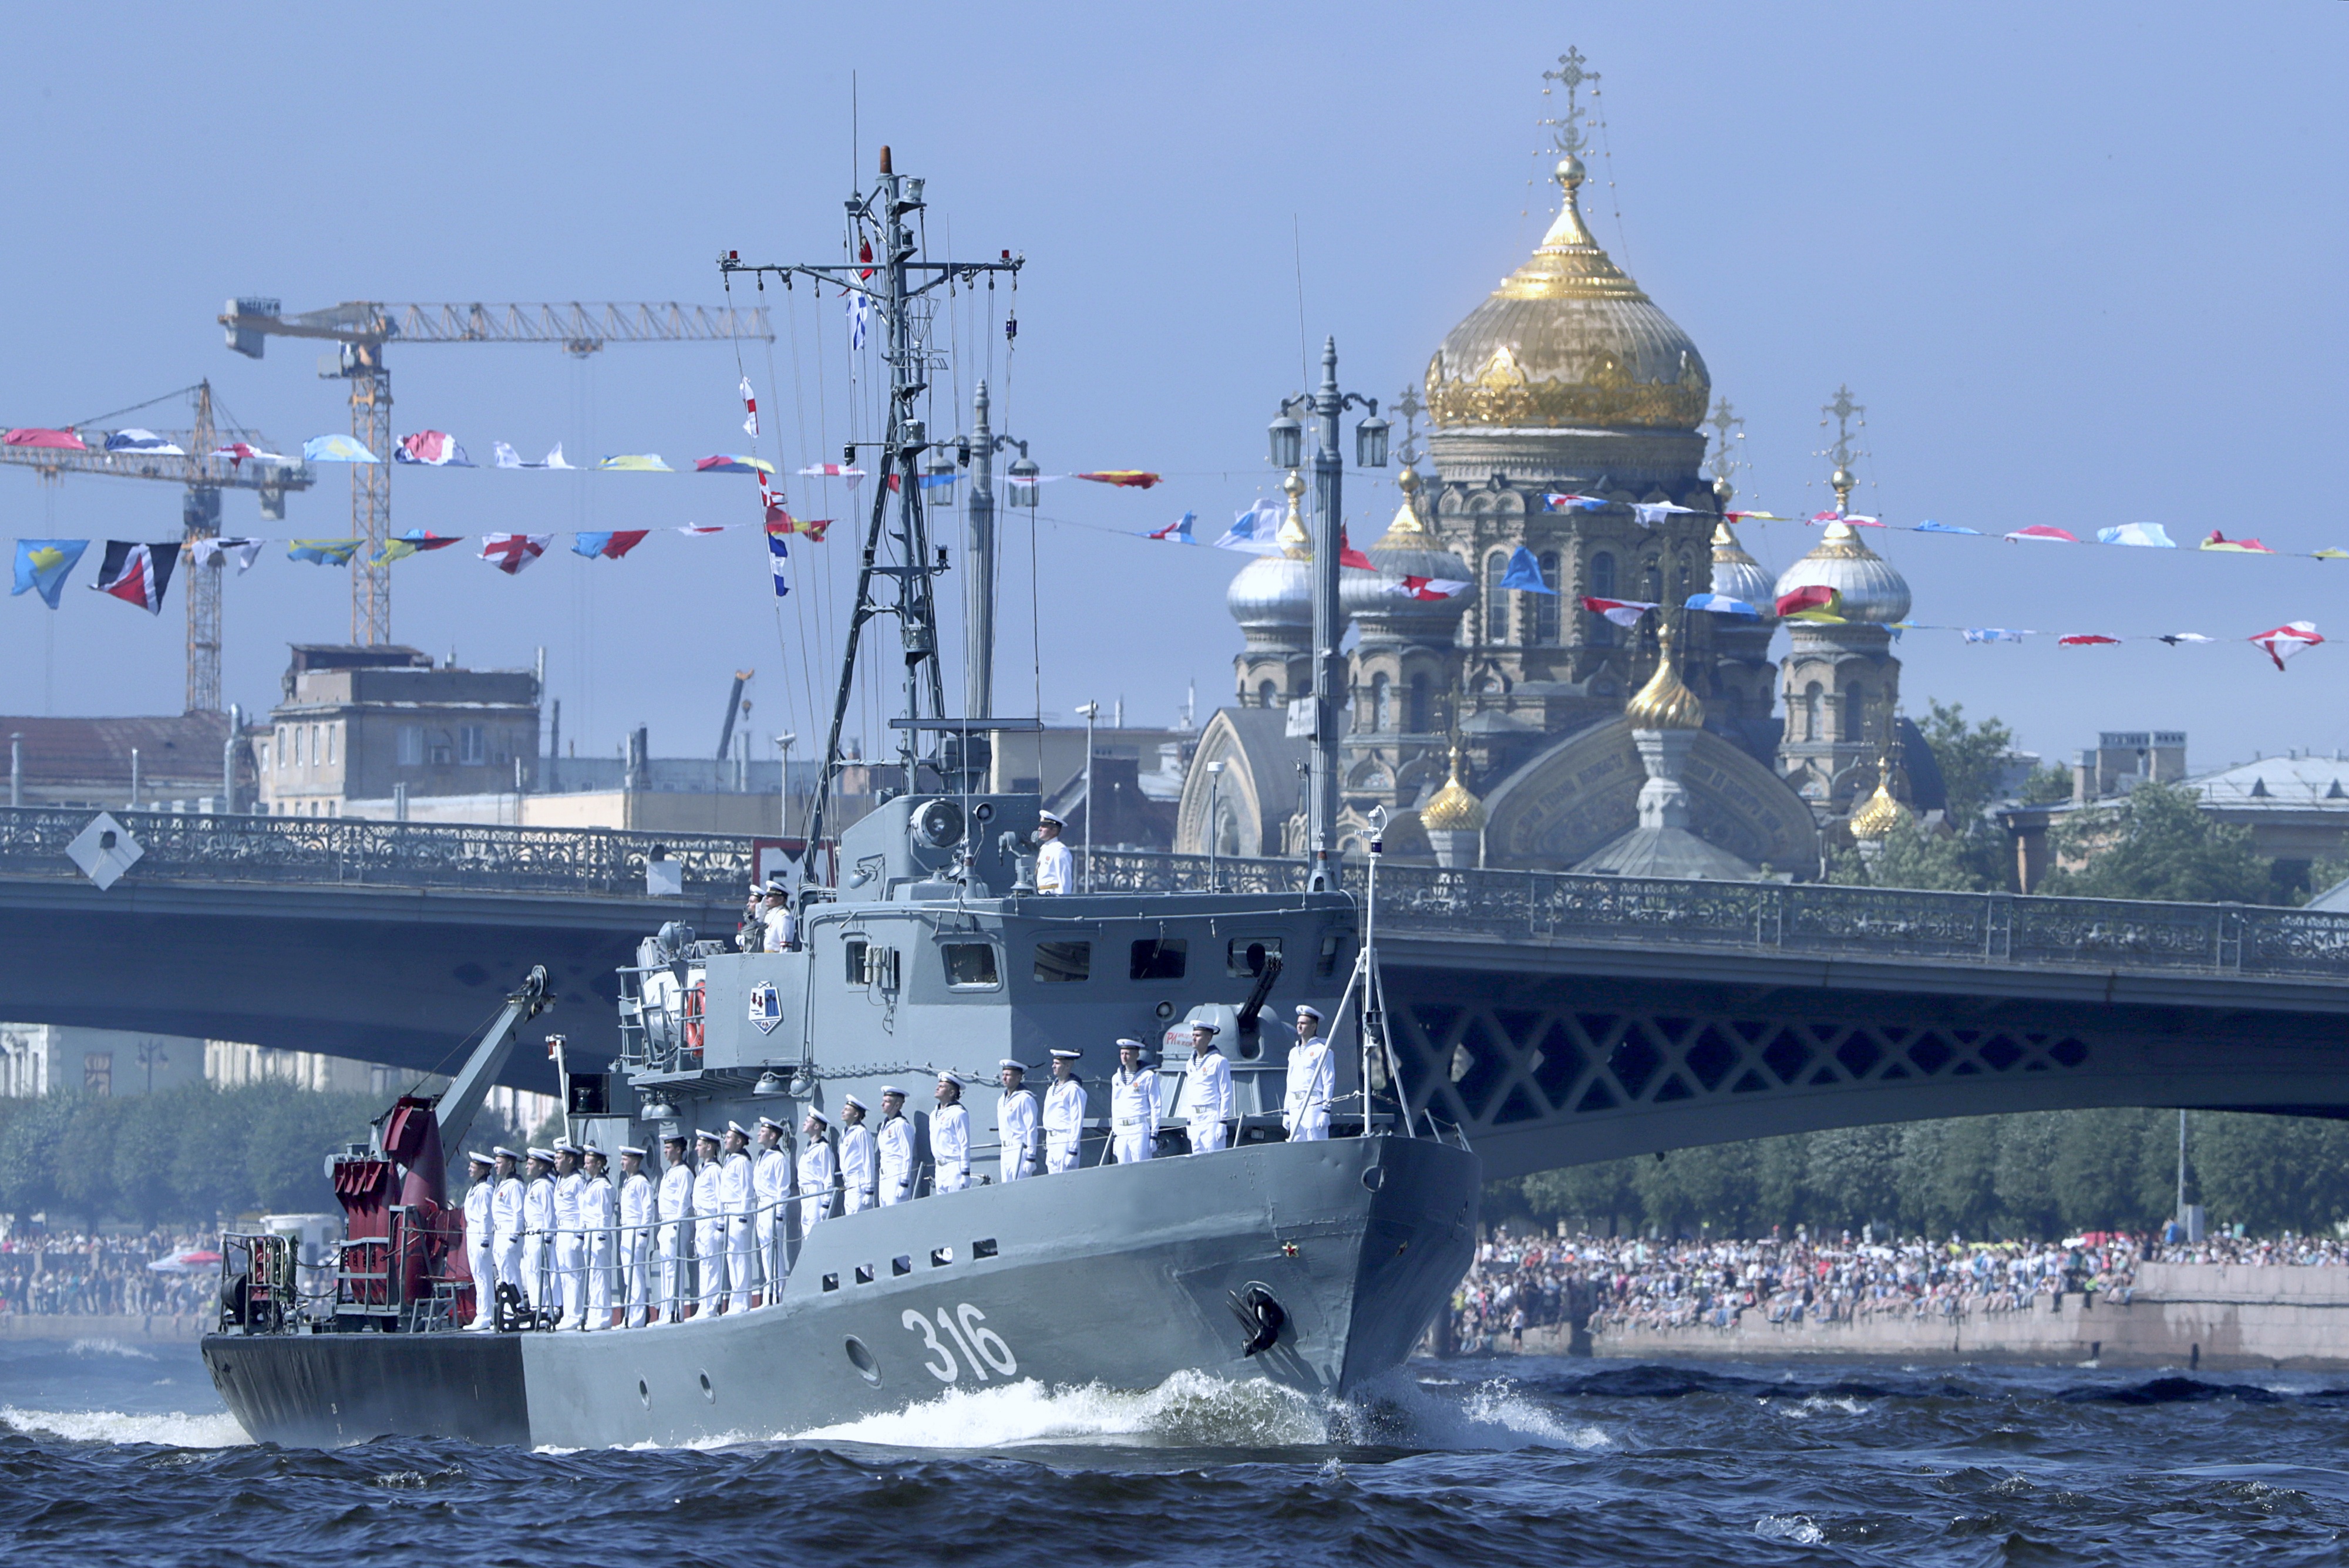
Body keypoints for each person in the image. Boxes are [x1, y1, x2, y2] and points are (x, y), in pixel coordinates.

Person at [752, 1116, 792, 1304]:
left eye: (763, 1131)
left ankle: (777, 1294)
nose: (759, 1133)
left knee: (774, 1252)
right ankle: (770, 1294)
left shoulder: (778, 1158)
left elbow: (783, 1189)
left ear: (773, 1135)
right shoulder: (763, 1156)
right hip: (761, 1207)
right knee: (766, 1252)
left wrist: (780, 1214)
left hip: (772, 1207)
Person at [655, 1133, 694, 1323]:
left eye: (668, 1147)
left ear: (678, 1150)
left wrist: (677, 1227)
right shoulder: (670, 1172)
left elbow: (683, 1202)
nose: (665, 1151)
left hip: (675, 1224)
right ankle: (665, 1311)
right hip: (665, 1224)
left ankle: (675, 1312)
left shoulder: (684, 1172)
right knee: (666, 1270)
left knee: (673, 1270)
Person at [1283, 1004, 1334, 1143]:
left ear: (1313, 1027)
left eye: (1304, 1023)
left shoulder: (1322, 1051)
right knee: (1296, 1145)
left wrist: (1326, 1110)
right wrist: (1286, 1111)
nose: (1299, 1026)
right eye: (1298, 1023)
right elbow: (1290, 1082)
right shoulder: (1293, 1053)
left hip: (1313, 1103)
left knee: (1316, 1144)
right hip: (1295, 1104)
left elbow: (1328, 1082)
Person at [721, 1122, 758, 1313]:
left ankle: (743, 1302)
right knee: (732, 1258)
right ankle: (736, 1301)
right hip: (729, 1212)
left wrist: (743, 1217)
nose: (726, 1140)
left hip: (738, 1213)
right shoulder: (731, 1161)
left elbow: (746, 1190)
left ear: (739, 1141)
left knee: (740, 1258)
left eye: (729, 1138)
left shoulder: (743, 1162)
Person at [617, 1145, 655, 1328]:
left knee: (636, 1275)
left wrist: (643, 1234)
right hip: (626, 1230)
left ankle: (638, 1317)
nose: (622, 1162)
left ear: (634, 1161)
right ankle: (629, 1316)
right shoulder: (629, 1182)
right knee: (628, 1277)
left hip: (635, 1230)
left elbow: (648, 1210)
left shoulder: (641, 1183)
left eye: (625, 1159)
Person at [579, 1146, 617, 1330]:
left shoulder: (603, 1186)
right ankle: (594, 1314)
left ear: (599, 1164)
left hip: (598, 1236)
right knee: (593, 1278)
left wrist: (601, 1237)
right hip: (590, 1235)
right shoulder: (591, 1184)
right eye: (585, 1162)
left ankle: (603, 1317)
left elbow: (604, 1213)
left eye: (589, 1163)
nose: (585, 1166)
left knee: (601, 1277)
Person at [551, 1141, 587, 1328]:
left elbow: (583, 1210)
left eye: (559, 1158)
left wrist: (580, 1236)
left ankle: (576, 1314)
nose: (555, 1161)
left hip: (572, 1230)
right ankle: (568, 1314)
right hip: (561, 1230)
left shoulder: (577, 1181)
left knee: (574, 1275)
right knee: (564, 1274)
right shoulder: (560, 1180)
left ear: (570, 1160)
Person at [1183, 1022, 1234, 1155]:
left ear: (1208, 1038)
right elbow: (1190, 1094)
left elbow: (1226, 1093)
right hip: (1195, 1117)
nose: (1194, 1038)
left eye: (1198, 1036)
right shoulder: (1190, 1064)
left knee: (1213, 1157)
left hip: (1211, 1116)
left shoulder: (1219, 1061)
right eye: (1193, 1035)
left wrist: (1223, 1122)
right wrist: (1189, 1121)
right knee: (1197, 1158)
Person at [691, 1130, 727, 1317]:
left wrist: (720, 1225)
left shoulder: (715, 1170)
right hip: (701, 1220)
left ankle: (711, 1306)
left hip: (711, 1220)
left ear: (709, 1147)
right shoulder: (703, 1169)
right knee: (704, 1264)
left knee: (712, 1264)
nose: (696, 1148)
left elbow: (720, 1199)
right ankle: (704, 1305)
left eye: (700, 1145)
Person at [1108, 1040, 1159, 1165]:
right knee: (1123, 1169)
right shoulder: (1116, 1078)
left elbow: (1156, 1106)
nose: (1124, 1057)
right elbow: (1115, 1107)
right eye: (1122, 1053)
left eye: (1128, 1054)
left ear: (1137, 1055)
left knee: (1141, 1167)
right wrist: (1115, 1134)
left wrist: (1154, 1135)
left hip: (1139, 1127)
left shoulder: (1148, 1076)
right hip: (1121, 1130)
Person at [490, 1147, 526, 1320]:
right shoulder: (501, 1184)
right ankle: (510, 1309)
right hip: (499, 1234)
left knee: (511, 1273)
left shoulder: (515, 1185)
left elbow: (519, 1213)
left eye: (499, 1163)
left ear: (510, 1164)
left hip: (508, 1233)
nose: (496, 1166)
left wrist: (514, 1238)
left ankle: (518, 1308)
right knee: (504, 1275)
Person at [520, 1148, 557, 1317]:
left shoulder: (545, 1186)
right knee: (532, 1273)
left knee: (541, 1273)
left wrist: (548, 1238)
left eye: (531, 1164)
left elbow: (550, 1214)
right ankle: (536, 1308)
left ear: (541, 1166)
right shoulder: (534, 1185)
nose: (527, 1167)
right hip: (530, 1234)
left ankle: (545, 1310)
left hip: (540, 1234)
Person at [462, 1150, 496, 1330]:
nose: (470, 1169)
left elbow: (486, 1217)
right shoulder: (476, 1187)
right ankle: (485, 1312)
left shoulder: (485, 1190)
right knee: (478, 1275)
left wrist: (485, 1241)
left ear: (482, 1170)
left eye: (473, 1166)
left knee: (483, 1276)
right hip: (472, 1233)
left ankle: (485, 1314)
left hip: (479, 1234)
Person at [1042, 1049, 1087, 1173]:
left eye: (1057, 1063)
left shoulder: (1074, 1090)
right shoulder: (1052, 1089)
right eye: (1054, 1063)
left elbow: (1077, 1121)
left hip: (1065, 1140)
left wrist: (1073, 1150)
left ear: (1068, 1066)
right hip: (1051, 1140)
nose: (1053, 1066)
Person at [997, 1060, 1039, 1183]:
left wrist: (1031, 1157)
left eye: (1008, 1075)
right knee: (1006, 1188)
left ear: (1018, 1077)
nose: (1004, 1078)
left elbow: (1032, 1129)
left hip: (1019, 1150)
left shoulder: (1025, 1099)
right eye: (1003, 1074)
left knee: (1020, 1189)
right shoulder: (1002, 1100)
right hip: (1005, 1150)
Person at [796, 1109, 836, 1238]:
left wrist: (826, 1203)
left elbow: (828, 1177)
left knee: (815, 1234)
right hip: (805, 1197)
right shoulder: (809, 1148)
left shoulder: (823, 1148)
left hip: (815, 1195)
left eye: (808, 1121)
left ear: (817, 1126)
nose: (804, 1123)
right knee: (807, 1234)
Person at [930, 1074, 971, 1193]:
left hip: (954, 1167)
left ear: (952, 1092)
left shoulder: (958, 1113)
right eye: (938, 1085)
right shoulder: (934, 1115)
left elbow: (964, 1144)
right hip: (939, 1168)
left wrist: (965, 1172)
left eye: (942, 1086)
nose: (937, 1088)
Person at [876, 1088, 916, 1205]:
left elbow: (907, 1154)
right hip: (884, 1176)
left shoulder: (901, 1125)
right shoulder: (885, 1124)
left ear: (897, 1105)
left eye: (887, 1102)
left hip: (896, 1175)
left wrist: (904, 1182)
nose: (882, 1104)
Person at [838, 1096, 877, 1215]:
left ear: (856, 1114)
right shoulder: (846, 1133)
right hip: (848, 1185)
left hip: (859, 1184)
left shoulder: (861, 1132)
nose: (842, 1111)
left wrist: (870, 1190)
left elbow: (868, 1161)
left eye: (847, 1109)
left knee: (858, 1222)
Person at [1033, 809, 1072, 895]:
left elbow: (1064, 882)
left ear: (1054, 830)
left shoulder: (1060, 850)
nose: (1040, 829)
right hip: (1042, 897)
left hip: (1052, 898)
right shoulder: (1044, 848)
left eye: (1044, 826)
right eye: (1040, 825)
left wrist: (1062, 902)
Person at [761, 881, 798, 952]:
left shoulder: (784, 917)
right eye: (767, 895)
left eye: (770, 896)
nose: (767, 898)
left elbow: (786, 948)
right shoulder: (770, 915)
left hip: (777, 960)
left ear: (781, 899)